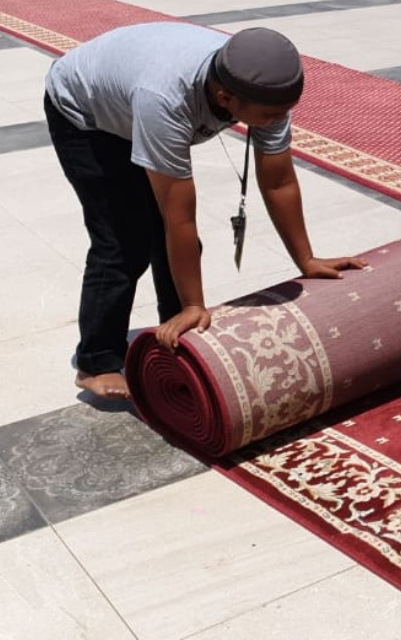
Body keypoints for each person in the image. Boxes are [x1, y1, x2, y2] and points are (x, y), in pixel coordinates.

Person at [45, 22, 367, 400]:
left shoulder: (265, 92)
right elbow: (177, 213)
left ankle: (176, 328)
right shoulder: (166, 98)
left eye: (285, 112)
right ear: (224, 96)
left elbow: (278, 182)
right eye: (268, 115)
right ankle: (95, 362)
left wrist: (307, 259)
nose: (277, 120)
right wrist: (196, 303)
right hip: (84, 113)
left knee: (174, 242)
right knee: (122, 242)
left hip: (131, 99)